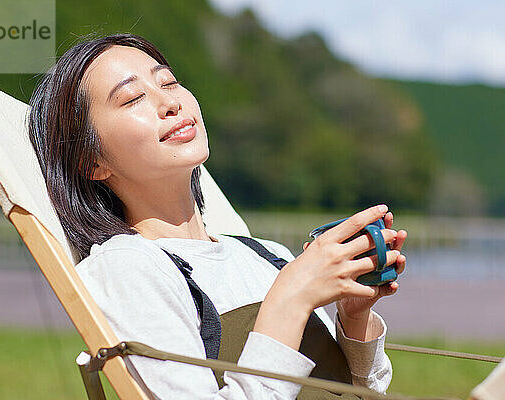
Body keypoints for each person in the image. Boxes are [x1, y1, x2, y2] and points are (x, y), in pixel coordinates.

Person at [28, 33, 408, 399]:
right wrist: (292, 298)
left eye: (169, 82)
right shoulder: (127, 268)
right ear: (92, 162)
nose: (169, 102)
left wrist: (353, 318)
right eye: (132, 98)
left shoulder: (265, 254)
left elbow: (362, 393)